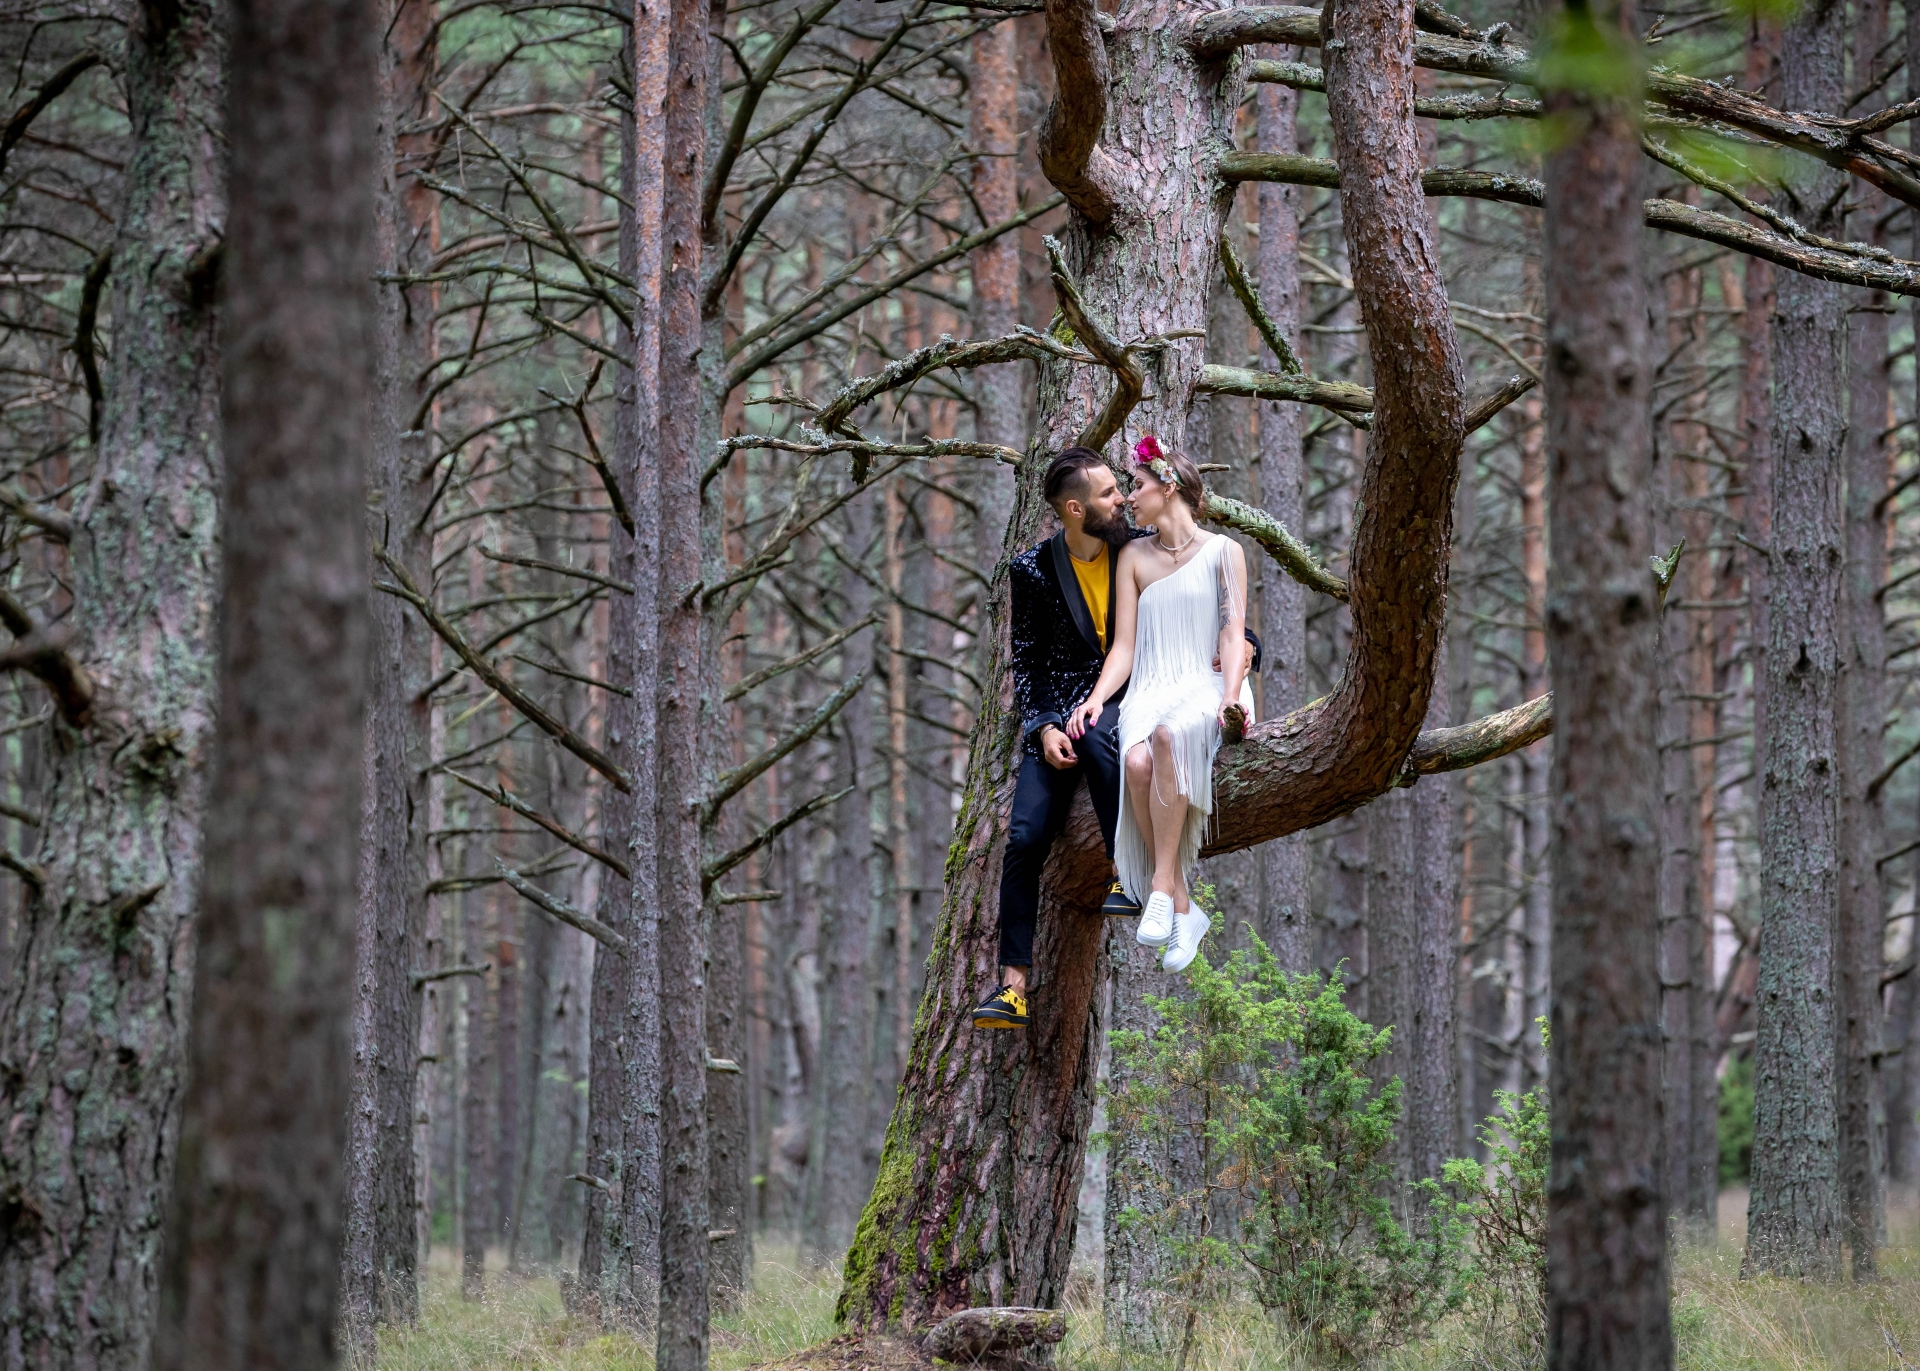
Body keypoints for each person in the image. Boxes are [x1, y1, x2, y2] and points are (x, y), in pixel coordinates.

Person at [1065, 434, 1253, 975]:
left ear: (1168, 487)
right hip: (1151, 685)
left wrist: (1232, 695)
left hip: (1205, 683)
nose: (1130, 496)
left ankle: (1160, 889)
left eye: (1139, 485)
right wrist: (1097, 699)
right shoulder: (1133, 557)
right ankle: (1185, 909)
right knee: (1137, 760)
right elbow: (1123, 646)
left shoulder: (1224, 552)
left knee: (1169, 737)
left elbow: (1232, 633)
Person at [971, 447, 1144, 1031]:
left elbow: (1196, 602)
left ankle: (1132, 868)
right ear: (1075, 509)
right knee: (1023, 837)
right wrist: (1043, 727)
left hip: (1126, 700)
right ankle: (1012, 988)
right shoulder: (1032, 569)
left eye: (1119, 489)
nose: (1120, 499)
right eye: (1106, 494)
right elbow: (1028, 660)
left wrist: (1244, 641)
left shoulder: (1139, 546)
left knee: (1100, 739)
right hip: (1057, 717)